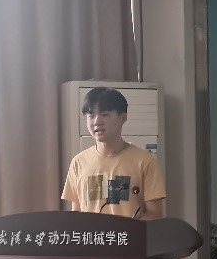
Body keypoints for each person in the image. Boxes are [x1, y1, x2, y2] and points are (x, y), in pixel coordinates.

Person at [61, 87, 165, 219]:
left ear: (123, 118)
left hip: (129, 233)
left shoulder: (145, 161)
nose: (97, 122)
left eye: (105, 114)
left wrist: (125, 229)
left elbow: (155, 214)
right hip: (91, 233)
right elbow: (76, 214)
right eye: (91, 116)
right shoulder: (79, 162)